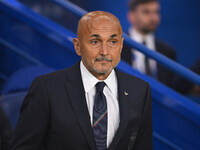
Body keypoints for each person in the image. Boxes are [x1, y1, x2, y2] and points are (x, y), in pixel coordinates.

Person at [9, 11, 153, 150]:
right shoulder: (46, 89)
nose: (104, 51)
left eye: (113, 41)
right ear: (78, 46)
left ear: (121, 45)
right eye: (95, 41)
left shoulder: (140, 90)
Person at [122, 0, 176, 88]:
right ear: (131, 16)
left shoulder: (167, 51)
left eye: (156, 12)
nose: (153, 18)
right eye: (146, 12)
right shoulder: (116, 48)